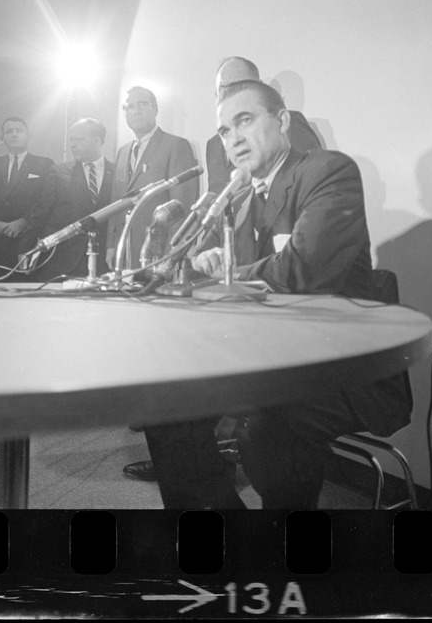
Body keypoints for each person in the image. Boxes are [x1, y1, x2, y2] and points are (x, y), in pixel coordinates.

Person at [140, 79, 413, 509]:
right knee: (163, 403)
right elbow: (238, 288)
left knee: (265, 423)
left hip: (343, 367)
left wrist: (228, 273)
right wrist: (205, 268)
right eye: (225, 131)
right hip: (272, 357)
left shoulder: (327, 171)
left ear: (282, 120)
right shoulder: (240, 197)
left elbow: (301, 272)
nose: (234, 138)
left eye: (244, 120)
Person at [106, 86, 199, 270]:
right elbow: (116, 202)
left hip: (160, 252)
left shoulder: (177, 145)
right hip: (125, 251)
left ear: (155, 108)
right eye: (129, 106)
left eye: (142, 104)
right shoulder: (123, 151)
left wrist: (173, 252)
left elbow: (182, 206)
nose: (136, 110)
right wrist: (111, 244)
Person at [204, 57, 322, 195]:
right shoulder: (213, 145)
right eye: (224, 89)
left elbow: (311, 180)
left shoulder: (290, 123)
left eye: (240, 86)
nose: (231, 96)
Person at [29, 118, 115, 280]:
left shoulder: (118, 172)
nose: (72, 145)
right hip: (62, 261)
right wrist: (26, 249)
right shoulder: (58, 172)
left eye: (79, 140)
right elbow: (41, 213)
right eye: (71, 140)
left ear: (97, 141)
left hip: (104, 262)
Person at [0, 117, 54, 281]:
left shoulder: (44, 164)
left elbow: (46, 200)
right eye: (9, 131)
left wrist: (24, 221)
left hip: (28, 242)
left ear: (28, 135)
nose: (14, 135)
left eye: (19, 130)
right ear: (2, 138)